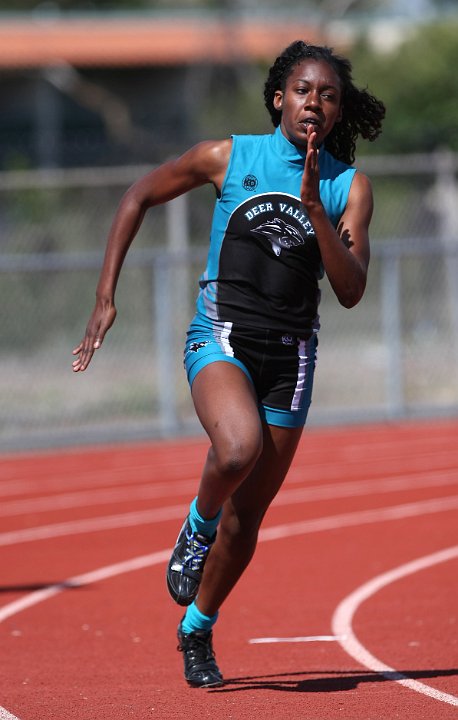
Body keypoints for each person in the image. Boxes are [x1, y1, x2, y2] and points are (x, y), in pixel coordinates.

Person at [72, 40, 385, 688]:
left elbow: (351, 289)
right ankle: (197, 522)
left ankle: (198, 629)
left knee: (249, 520)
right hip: (222, 334)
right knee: (235, 450)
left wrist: (316, 212)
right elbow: (138, 196)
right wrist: (106, 296)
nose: (315, 104)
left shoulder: (348, 186)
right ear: (279, 97)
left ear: (336, 112)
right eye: (304, 91)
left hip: (291, 357)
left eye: (328, 96)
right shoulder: (229, 156)